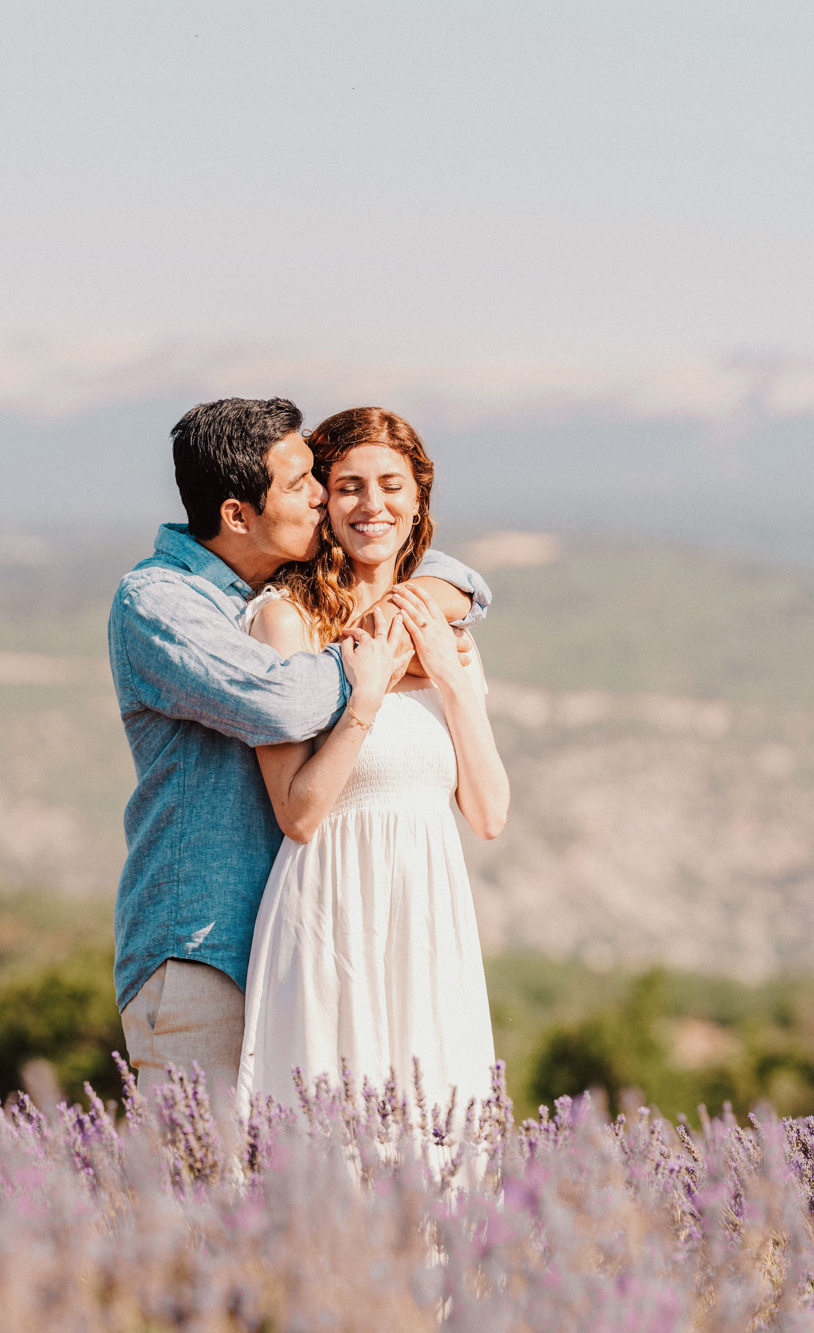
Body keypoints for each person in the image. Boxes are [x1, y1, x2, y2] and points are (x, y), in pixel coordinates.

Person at [108, 397, 492, 1116]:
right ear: (237, 514)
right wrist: (387, 659)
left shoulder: (285, 593)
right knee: (211, 1202)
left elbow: (446, 570)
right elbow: (283, 703)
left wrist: (420, 606)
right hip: (205, 952)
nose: (324, 498)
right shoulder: (162, 605)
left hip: (301, 948)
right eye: (303, 485)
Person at [233, 406, 508, 1118]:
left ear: (419, 502)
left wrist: (448, 673)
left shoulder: (444, 629)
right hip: (330, 912)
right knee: (335, 1150)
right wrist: (365, 697)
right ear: (323, 500)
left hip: (428, 919)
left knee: (438, 1139)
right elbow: (297, 812)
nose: (371, 504)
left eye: (391, 484)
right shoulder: (285, 622)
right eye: (349, 485)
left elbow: (489, 812)